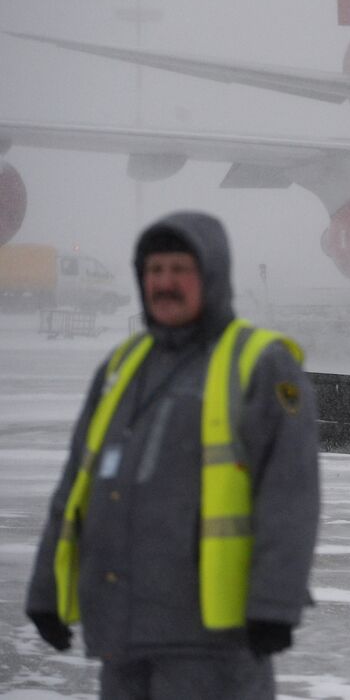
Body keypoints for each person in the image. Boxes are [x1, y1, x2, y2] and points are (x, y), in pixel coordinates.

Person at [26, 212, 320, 700]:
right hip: (121, 631)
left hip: (211, 640)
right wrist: (46, 592)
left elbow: (290, 493)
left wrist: (274, 602)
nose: (164, 283)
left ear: (211, 275)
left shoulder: (261, 362)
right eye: (154, 270)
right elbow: (76, 486)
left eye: (179, 269)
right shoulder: (121, 366)